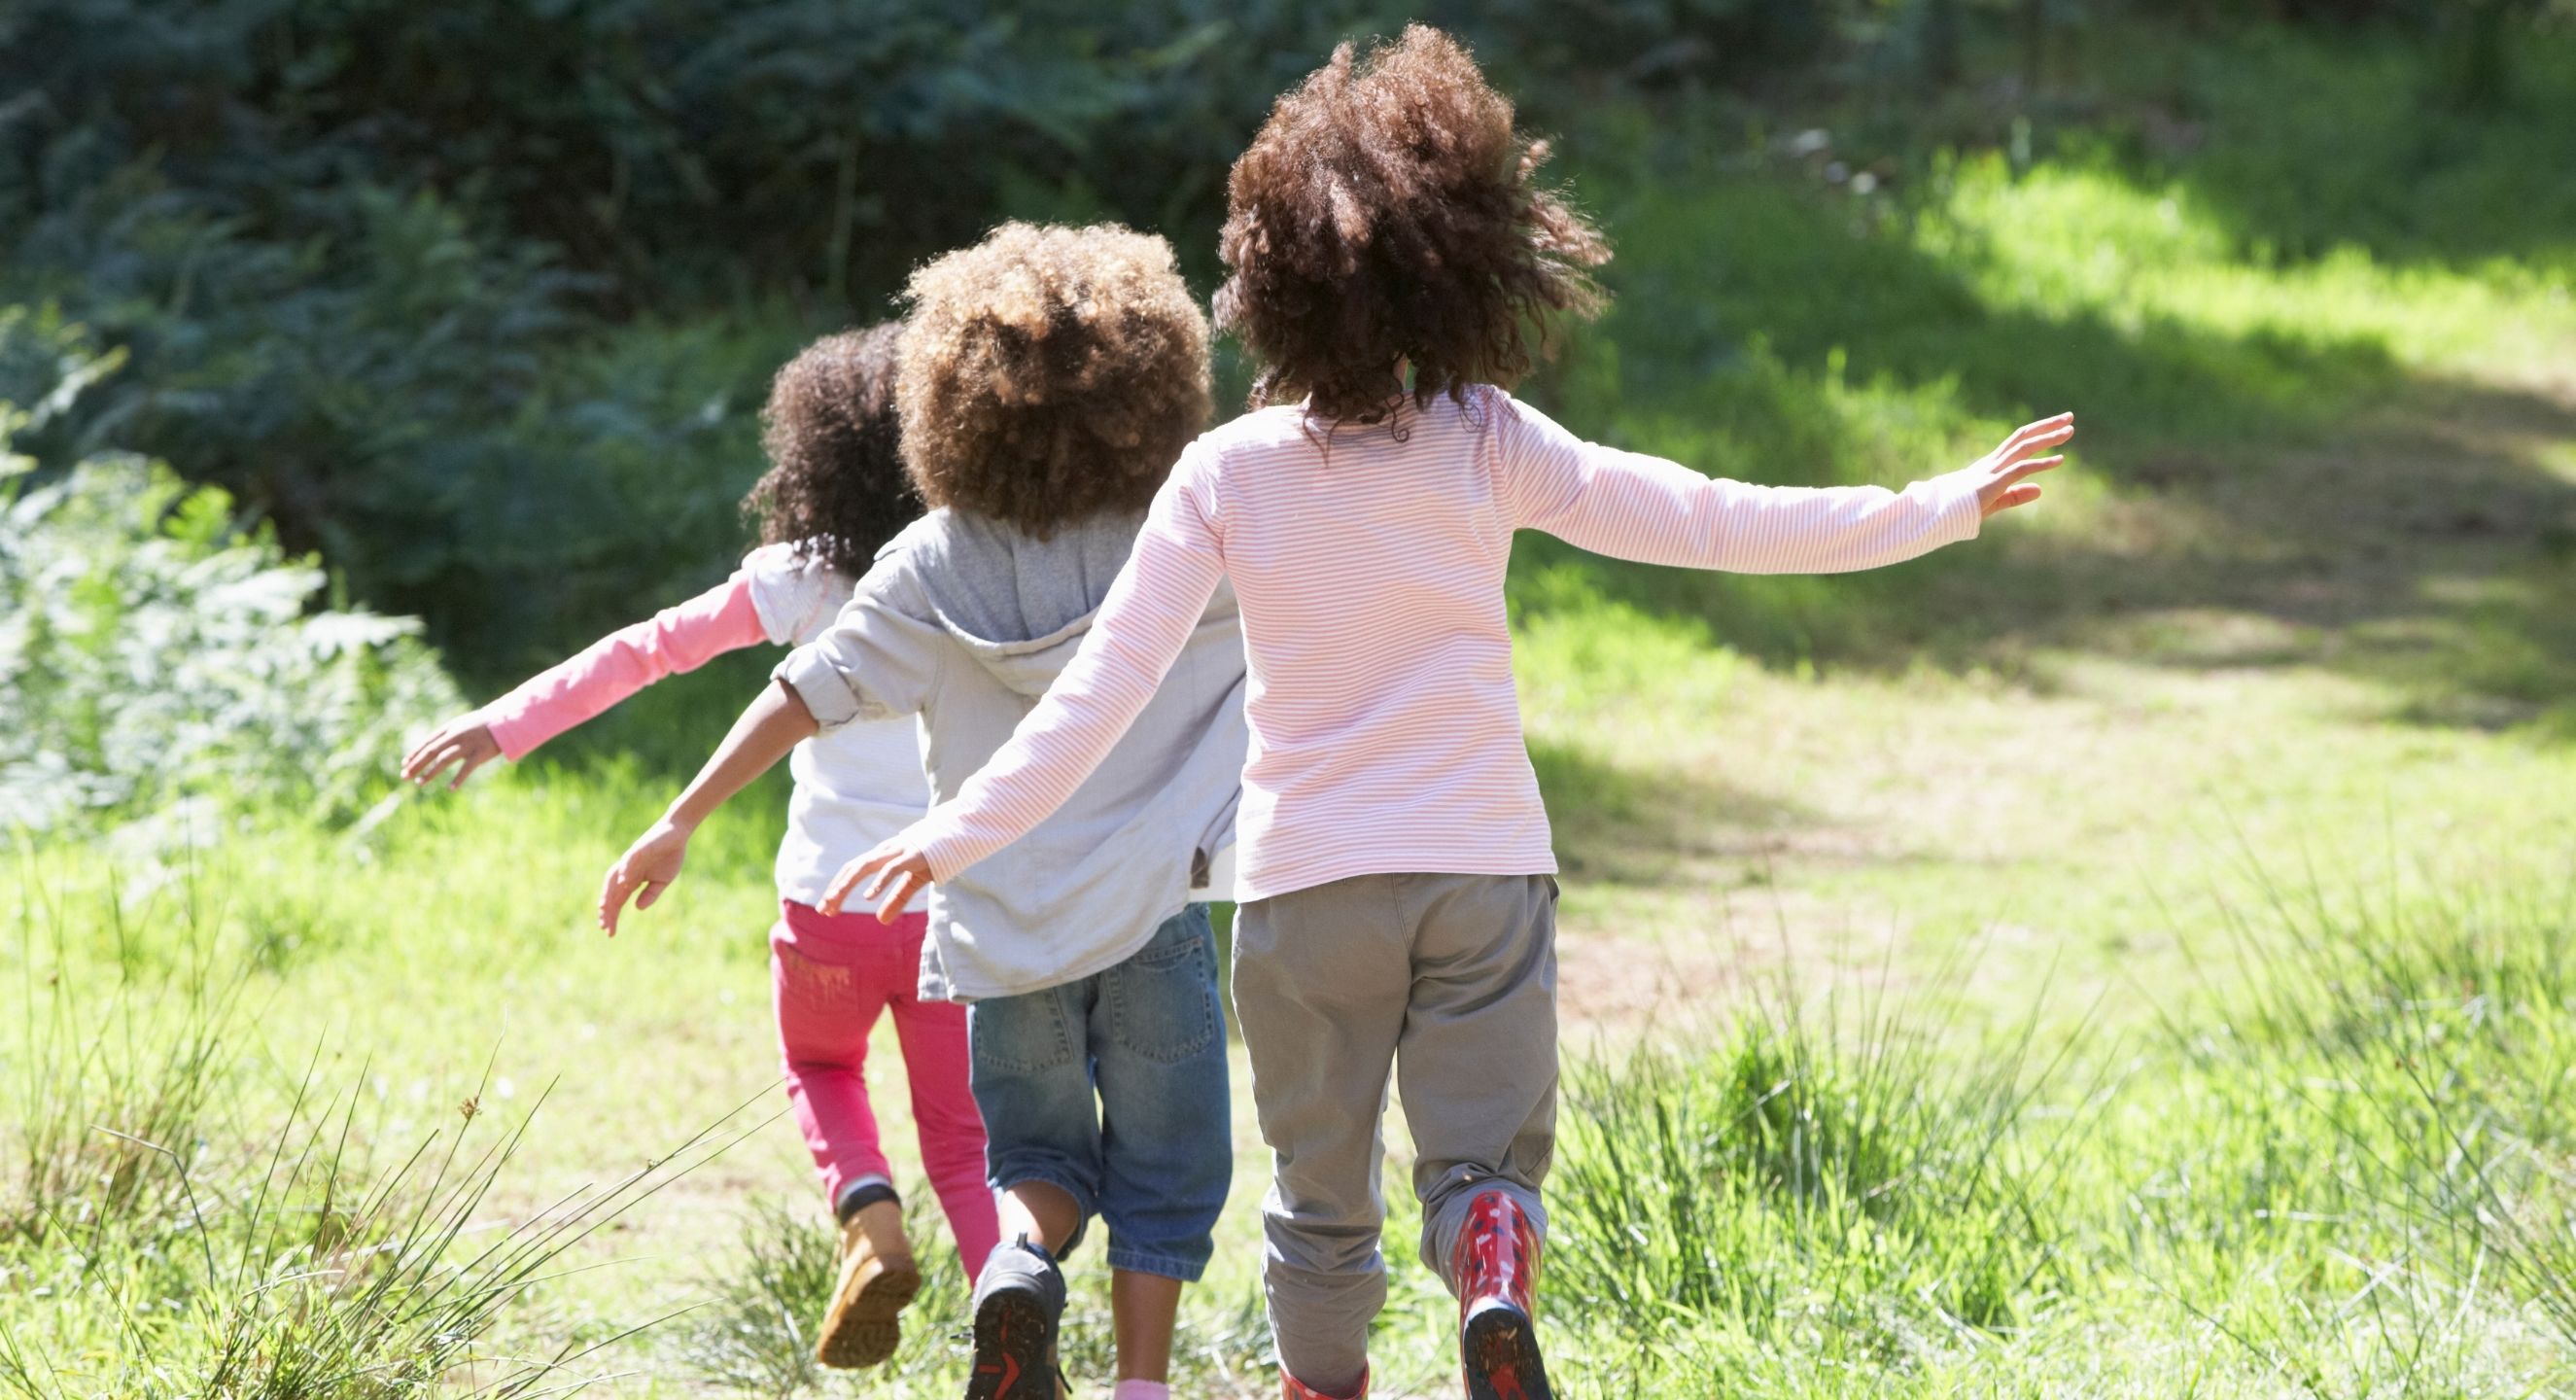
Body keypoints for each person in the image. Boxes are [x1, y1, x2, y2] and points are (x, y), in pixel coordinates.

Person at [825, 27, 2074, 1400]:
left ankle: (1328, 1384)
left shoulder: (1224, 476)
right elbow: (1716, 519)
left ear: (1266, 281)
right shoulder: (1490, 441)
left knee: (1318, 1204)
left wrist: (955, 833)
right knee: (1480, 1160)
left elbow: (1094, 697)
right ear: (1469, 267)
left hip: (1307, 894)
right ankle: (1487, 1254)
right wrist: (1935, 507)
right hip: (1482, 870)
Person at [597, 223, 1244, 1400]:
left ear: (950, 400)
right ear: (1152, 388)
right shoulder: (1185, 536)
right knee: (1167, 1169)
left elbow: (800, 692)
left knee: (1039, 1159)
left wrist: (680, 816)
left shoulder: (927, 565)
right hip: (1151, 913)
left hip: (998, 930)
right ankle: (1141, 1384)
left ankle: (1015, 1266)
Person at [400, 325, 998, 1370]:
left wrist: (507, 722)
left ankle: (867, 1219)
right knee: (963, 1140)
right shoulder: (980, 568)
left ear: (818, 455)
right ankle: (1012, 1333)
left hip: (828, 907)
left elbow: (647, 651)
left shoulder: (805, 578)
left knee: (819, 1061)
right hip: (952, 906)